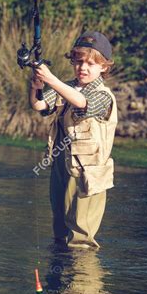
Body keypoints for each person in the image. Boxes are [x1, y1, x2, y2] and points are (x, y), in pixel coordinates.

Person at [30, 32, 118, 250]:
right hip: (61, 166)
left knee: (81, 240)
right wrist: (37, 86)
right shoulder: (67, 86)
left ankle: (82, 282)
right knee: (59, 232)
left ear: (104, 67)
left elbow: (82, 103)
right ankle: (59, 281)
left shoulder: (104, 95)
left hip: (88, 173)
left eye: (90, 63)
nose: (83, 68)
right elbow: (40, 106)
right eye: (78, 62)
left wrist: (51, 78)